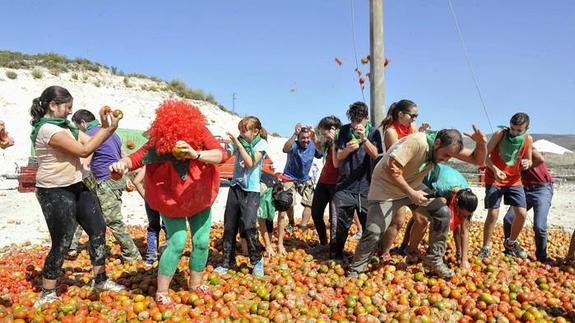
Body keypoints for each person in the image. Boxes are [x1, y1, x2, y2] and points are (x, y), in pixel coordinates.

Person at [110, 100, 225, 304]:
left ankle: (195, 285)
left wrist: (195, 153)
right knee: (178, 242)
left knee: (201, 242)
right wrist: (122, 164)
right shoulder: (159, 139)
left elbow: (220, 154)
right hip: (171, 199)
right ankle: (162, 292)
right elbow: (137, 157)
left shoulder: (200, 133)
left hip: (199, 195)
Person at [348, 126, 486, 279]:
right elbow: (391, 167)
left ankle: (434, 258)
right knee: (374, 231)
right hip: (385, 189)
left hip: (412, 185)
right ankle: (356, 269)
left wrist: (481, 144)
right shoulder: (418, 142)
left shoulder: (445, 148)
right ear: (438, 142)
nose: (446, 160)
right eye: (445, 155)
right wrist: (411, 193)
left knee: (442, 213)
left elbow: (477, 160)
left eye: (449, 157)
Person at [30, 85, 125, 307]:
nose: (70, 112)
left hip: (77, 185)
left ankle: (100, 280)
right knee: (62, 240)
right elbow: (83, 151)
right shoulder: (48, 130)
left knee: (97, 229)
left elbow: (90, 141)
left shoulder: (67, 127)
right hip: (54, 190)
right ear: (53, 105)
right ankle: (47, 292)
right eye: (67, 107)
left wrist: (109, 126)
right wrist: (104, 129)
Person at [66, 109, 141, 262]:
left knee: (113, 220)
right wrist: (125, 178)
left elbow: (86, 155)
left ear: (82, 123)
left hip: (105, 180)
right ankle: (71, 247)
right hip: (114, 178)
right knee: (84, 211)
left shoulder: (91, 134)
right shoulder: (112, 133)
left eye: (77, 126)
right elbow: (121, 155)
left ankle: (132, 254)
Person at [214, 116, 268, 277]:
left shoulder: (261, 144)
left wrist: (238, 144)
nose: (241, 134)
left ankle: (257, 260)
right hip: (235, 187)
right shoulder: (239, 142)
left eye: (244, 131)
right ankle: (227, 261)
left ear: (256, 131)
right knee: (229, 225)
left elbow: (251, 163)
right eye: (240, 131)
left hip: (251, 191)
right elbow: (226, 155)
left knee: (249, 226)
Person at [376, 99, 430, 259]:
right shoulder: (391, 132)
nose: (414, 119)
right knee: (398, 220)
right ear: (401, 114)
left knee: (422, 218)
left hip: (412, 179)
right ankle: (383, 252)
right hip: (397, 181)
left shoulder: (412, 128)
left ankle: (408, 249)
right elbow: (398, 159)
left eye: (416, 116)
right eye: (413, 116)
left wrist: (421, 134)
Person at [332, 102, 383, 261]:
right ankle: (337, 255)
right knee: (340, 226)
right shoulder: (344, 131)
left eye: (359, 120)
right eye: (353, 120)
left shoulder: (374, 132)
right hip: (345, 186)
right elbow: (339, 157)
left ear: (366, 119)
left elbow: (377, 155)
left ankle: (366, 257)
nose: (356, 124)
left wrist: (364, 139)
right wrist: (347, 149)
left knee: (370, 227)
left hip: (367, 187)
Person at [479, 113, 533, 259]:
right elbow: (484, 156)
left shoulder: (528, 139)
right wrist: (495, 170)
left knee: (522, 214)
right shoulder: (500, 134)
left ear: (526, 129)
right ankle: (485, 247)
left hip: (514, 180)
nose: (514, 132)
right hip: (494, 178)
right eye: (512, 128)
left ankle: (511, 242)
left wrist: (527, 163)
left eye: (518, 130)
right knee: (493, 214)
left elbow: (529, 160)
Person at [405, 164, 478, 270]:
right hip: (423, 179)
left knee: (456, 221)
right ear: (456, 202)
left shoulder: (467, 197)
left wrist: (463, 259)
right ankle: (409, 249)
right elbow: (427, 209)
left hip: (447, 182)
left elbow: (464, 230)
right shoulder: (442, 188)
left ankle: (459, 254)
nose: (462, 216)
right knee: (421, 219)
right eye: (461, 213)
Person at [277, 123, 323, 254]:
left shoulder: (312, 144)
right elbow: (285, 149)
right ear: (299, 137)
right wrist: (294, 134)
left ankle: (302, 227)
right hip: (290, 177)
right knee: (287, 202)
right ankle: (291, 222)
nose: (306, 140)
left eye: (307, 138)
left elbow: (321, 152)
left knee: (310, 203)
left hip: (304, 178)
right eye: (303, 138)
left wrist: (314, 137)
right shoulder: (294, 144)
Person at [503, 148, 552, 262]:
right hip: (523, 188)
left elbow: (540, 159)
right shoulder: (505, 154)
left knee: (539, 226)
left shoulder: (524, 146)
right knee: (508, 219)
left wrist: (528, 164)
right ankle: (509, 249)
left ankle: (541, 257)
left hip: (542, 189)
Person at [309, 116, 341, 254]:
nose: (323, 136)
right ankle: (324, 243)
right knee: (316, 213)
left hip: (337, 184)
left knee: (334, 219)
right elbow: (320, 147)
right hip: (323, 181)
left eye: (324, 133)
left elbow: (337, 163)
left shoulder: (342, 141)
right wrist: (313, 137)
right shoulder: (328, 143)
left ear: (333, 129)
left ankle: (335, 249)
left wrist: (335, 142)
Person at [132, 166, 167, 267]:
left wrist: (146, 198)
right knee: (169, 228)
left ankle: (151, 258)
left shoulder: (150, 164)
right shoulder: (169, 164)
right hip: (166, 200)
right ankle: (168, 255)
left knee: (153, 227)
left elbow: (136, 181)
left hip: (151, 199)